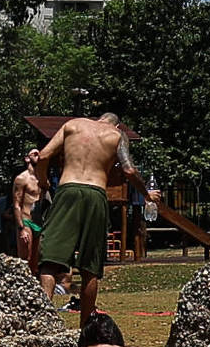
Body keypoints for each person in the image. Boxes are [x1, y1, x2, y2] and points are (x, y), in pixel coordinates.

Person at [25, 112, 160, 314]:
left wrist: (43, 181)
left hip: (67, 189)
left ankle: (43, 319)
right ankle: (86, 327)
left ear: (99, 119)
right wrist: (146, 195)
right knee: (90, 268)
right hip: (95, 193)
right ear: (117, 124)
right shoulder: (117, 135)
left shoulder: (73, 125)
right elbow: (129, 171)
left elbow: (43, 156)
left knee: (50, 261)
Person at [9, 161, 47, 268]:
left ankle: (35, 283)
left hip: (39, 222)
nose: (37, 154)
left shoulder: (42, 178)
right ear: (27, 158)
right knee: (26, 259)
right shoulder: (21, 179)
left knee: (37, 261)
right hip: (26, 221)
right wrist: (21, 228)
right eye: (33, 152)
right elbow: (16, 204)